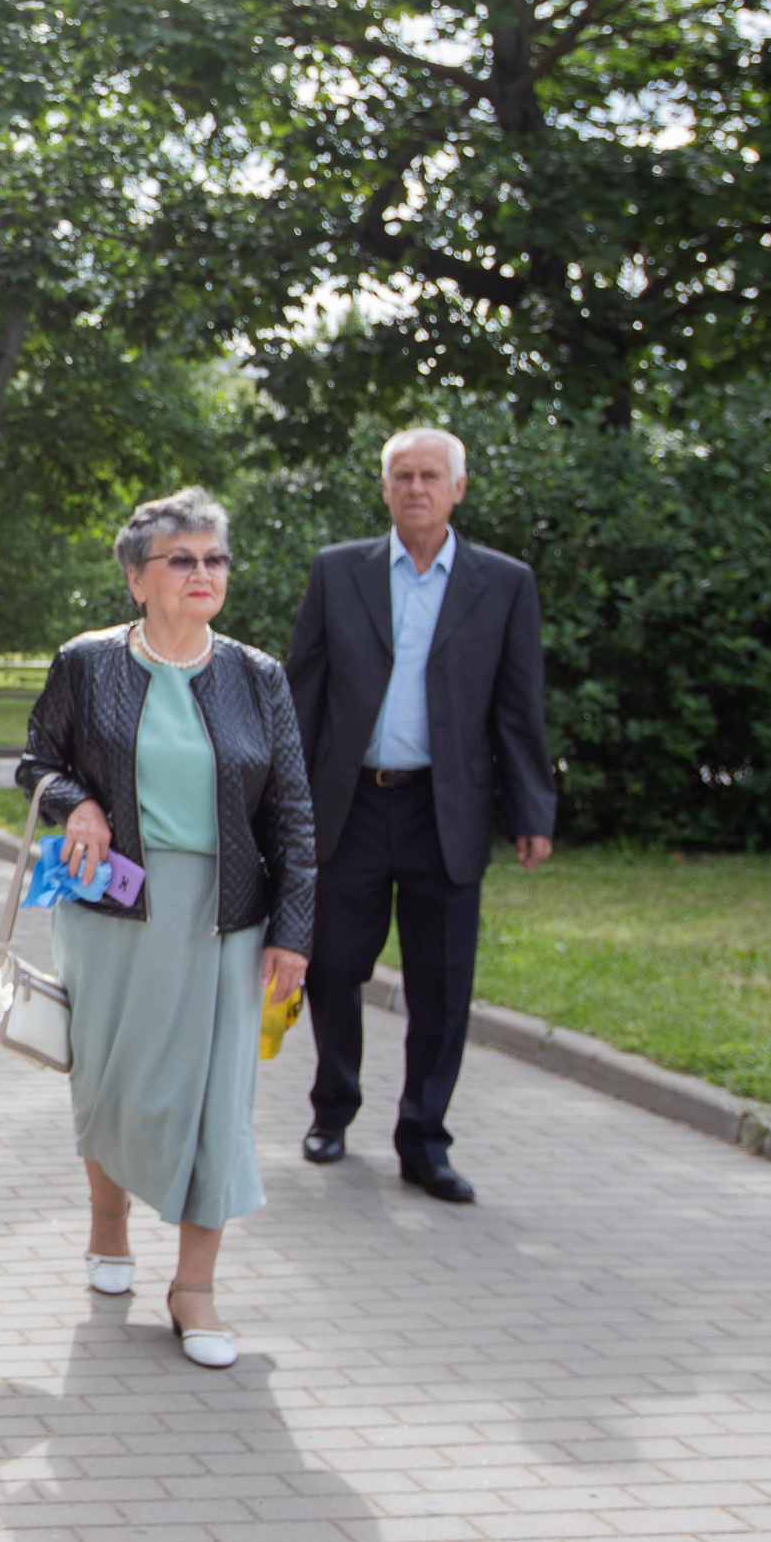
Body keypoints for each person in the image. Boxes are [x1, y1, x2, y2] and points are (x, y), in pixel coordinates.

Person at [17, 489, 314, 1370]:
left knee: (218, 1093)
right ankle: (109, 1227)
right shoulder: (88, 662)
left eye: (214, 559)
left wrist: (293, 928)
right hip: (112, 904)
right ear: (138, 577)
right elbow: (39, 759)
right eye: (181, 560)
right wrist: (80, 804)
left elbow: (293, 810)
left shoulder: (257, 675)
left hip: (225, 912)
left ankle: (195, 1287)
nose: (202, 574)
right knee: (110, 1079)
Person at [286, 427, 556, 1205]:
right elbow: (302, 692)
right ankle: (332, 1110)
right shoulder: (340, 573)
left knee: (442, 986)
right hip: (353, 805)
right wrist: (284, 801)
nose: (415, 488)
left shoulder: (503, 583)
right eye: (401, 475)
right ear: (384, 488)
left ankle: (424, 1138)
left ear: (458, 488)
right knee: (334, 967)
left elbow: (518, 707)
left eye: (430, 475)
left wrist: (532, 808)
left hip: (449, 809)